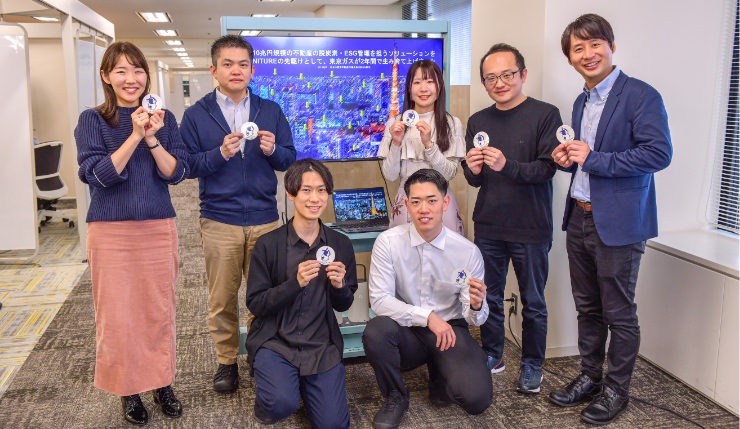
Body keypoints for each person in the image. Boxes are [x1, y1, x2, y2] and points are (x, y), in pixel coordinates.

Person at [549, 14, 672, 425]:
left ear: (611, 46)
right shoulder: (581, 101)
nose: (588, 54)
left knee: (619, 313)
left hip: (619, 223)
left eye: (594, 44)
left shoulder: (640, 95)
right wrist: (568, 160)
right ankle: (590, 377)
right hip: (579, 217)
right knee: (587, 307)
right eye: (578, 48)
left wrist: (594, 159)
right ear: (570, 58)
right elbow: (586, 159)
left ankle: (617, 389)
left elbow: (658, 154)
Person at [75, 41, 188, 425]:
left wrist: (153, 137)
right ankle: (128, 390)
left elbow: (176, 172)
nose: (131, 78)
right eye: (121, 70)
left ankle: (162, 383)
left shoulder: (164, 119)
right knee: (119, 316)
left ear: (146, 76)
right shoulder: (92, 120)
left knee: (159, 311)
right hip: (111, 231)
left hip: (157, 227)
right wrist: (135, 135)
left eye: (138, 70)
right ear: (106, 77)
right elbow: (99, 175)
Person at [180, 35, 296, 393]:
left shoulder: (269, 109)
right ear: (213, 70)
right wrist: (220, 154)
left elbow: (289, 159)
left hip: (265, 218)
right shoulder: (196, 115)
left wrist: (273, 150)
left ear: (252, 70)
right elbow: (185, 166)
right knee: (222, 298)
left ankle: (263, 355)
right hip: (220, 219)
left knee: (266, 296)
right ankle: (226, 361)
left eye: (243, 64)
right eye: (227, 64)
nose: (236, 70)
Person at [462, 43, 561, 394]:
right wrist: (472, 169)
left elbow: (548, 168)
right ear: (483, 83)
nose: (499, 83)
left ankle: (532, 364)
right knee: (488, 295)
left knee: (533, 301)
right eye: (491, 78)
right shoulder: (478, 121)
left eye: (507, 75)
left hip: (531, 226)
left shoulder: (545, 115)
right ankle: (493, 354)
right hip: (489, 225)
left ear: (523, 74)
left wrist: (508, 165)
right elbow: (475, 180)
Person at [363, 169, 492, 429]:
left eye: (432, 200)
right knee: (376, 331)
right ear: (407, 205)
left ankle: (439, 373)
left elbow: (473, 318)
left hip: (449, 330)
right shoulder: (388, 242)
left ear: (445, 203)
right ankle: (395, 396)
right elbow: (379, 300)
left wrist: (477, 305)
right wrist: (428, 317)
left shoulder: (467, 252)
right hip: (406, 329)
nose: (424, 209)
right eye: (416, 201)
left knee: (476, 400)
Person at [245, 159, 358, 428]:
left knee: (333, 425)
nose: (314, 198)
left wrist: (340, 286)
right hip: (276, 341)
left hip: (321, 345)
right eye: (306, 190)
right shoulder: (268, 245)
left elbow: (344, 304)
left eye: (321, 190)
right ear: (290, 193)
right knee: (280, 404)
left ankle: (304, 387)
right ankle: (277, 391)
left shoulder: (340, 244)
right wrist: (294, 283)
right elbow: (256, 303)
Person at [378, 60, 466, 235]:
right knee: (404, 250)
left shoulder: (451, 123)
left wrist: (429, 145)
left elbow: (449, 174)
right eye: (417, 82)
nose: (423, 88)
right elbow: (390, 175)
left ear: (439, 87)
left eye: (430, 82)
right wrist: (396, 143)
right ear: (409, 89)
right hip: (407, 202)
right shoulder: (395, 123)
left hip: (440, 203)